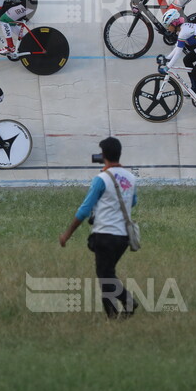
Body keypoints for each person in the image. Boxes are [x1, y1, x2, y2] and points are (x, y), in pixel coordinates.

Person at [59, 137, 139, 321]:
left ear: (103, 156)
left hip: (105, 235)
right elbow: (132, 202)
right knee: (107, 273)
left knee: (105, 276)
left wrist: (67, 235)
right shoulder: (131, 177)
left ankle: (127, 300)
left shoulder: (101, 179)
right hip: (123, 237)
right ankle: (113, 317)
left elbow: (84, 210)